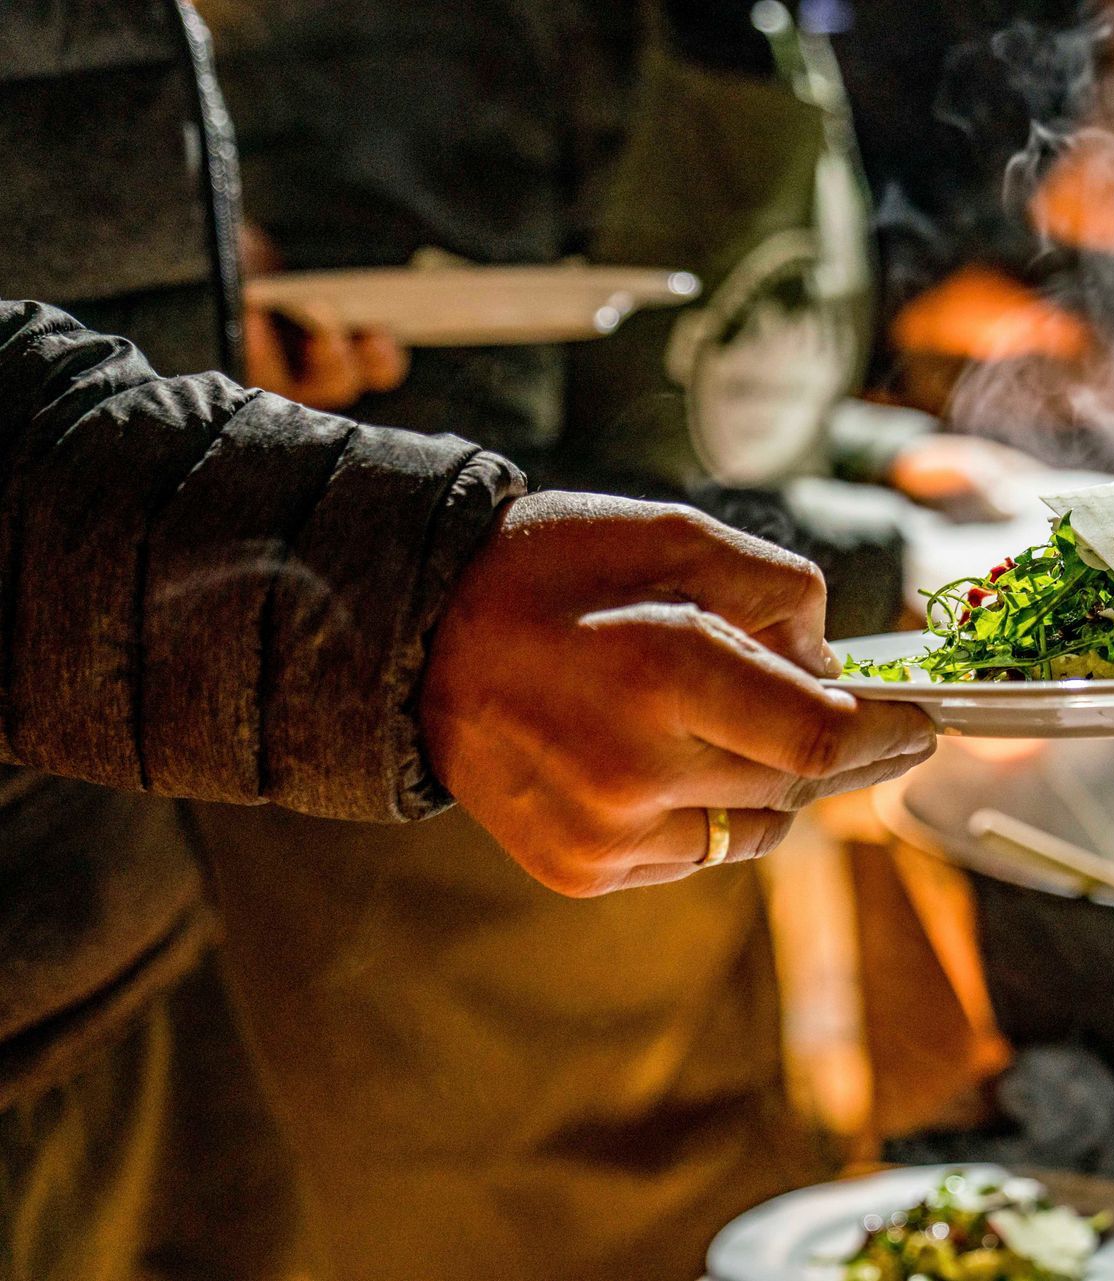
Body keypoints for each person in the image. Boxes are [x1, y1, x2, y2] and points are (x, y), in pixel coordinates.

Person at [0, 5, 933, 1275]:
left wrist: (899, 464)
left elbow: (692, 408)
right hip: (432, 924)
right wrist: (908, 568)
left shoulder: (727, 31)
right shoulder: (415, 37)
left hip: (642, 902)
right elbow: (519, 514)